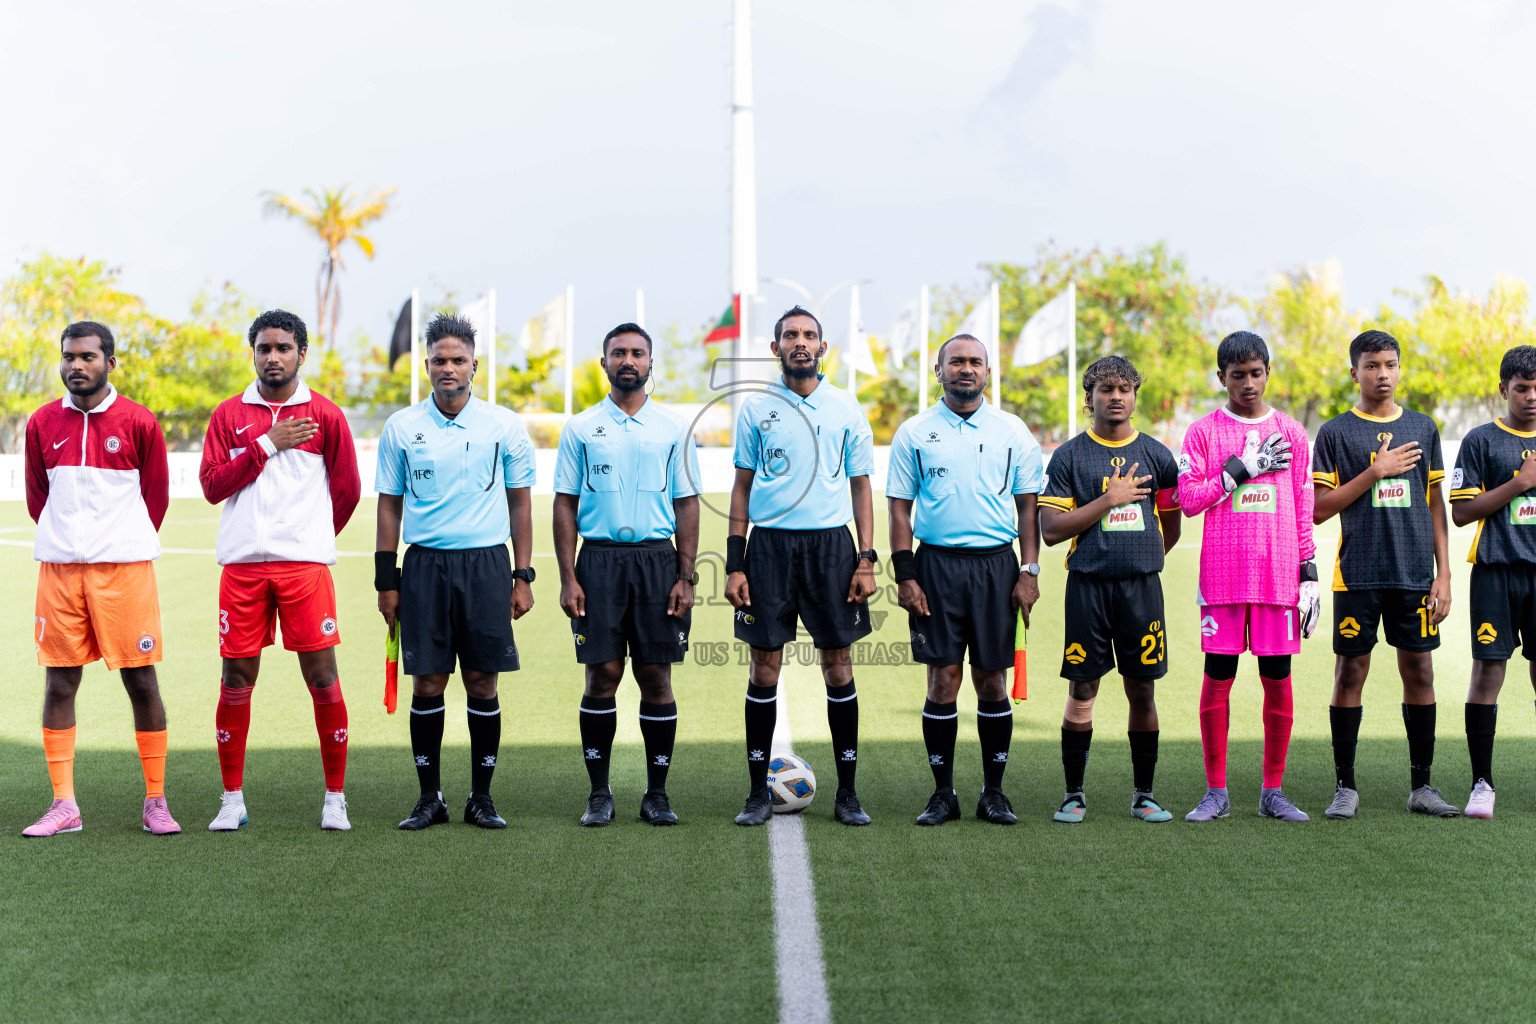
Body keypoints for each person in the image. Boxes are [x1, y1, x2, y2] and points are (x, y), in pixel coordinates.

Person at [199, 309, 362, 832]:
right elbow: (212, 486)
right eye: (264, 348)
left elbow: (347, 490)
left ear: (301, 354)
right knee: (235, 677)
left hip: (304, 570)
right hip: (242, 569)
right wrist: (267, 444)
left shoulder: (326, 415)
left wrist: (310, 538)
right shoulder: (228, 415)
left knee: (322, 676)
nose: (273, 357)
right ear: (252, 353)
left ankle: (334, 797)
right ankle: (232, 798)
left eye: (283, 348)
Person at [376, 313, 536, 830]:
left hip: (486, 565)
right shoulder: (402, 427)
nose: (449, 368)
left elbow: (521, 503)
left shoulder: (503, 425)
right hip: (424, 566)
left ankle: (481, 798)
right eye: (439, 360)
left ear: (474, 366)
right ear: (427, 365)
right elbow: (388, 506)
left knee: (482, 681)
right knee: (428, 682)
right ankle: (430, 798)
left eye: (458, 360)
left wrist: (523, 575)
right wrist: (386, 580)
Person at [22, 320, 178, 837]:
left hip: (125, 572)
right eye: (69, 357)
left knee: (141, 680)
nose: (76, 366)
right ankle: (63, 805)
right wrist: (67, 541)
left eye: (87, 357)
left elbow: (155, 498)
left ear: (110, 362)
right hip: (60, 572)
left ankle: (156, 800)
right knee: (59, 682)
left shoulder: (138, 421)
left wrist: (119, 542)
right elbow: (38, 498)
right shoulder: (42, 423)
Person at [725, 305, 877, 827]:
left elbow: (861, 486)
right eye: (790, 335)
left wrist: (866, 558)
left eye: (809, 335)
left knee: (839, 665)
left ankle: (848, 794)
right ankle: (756, 794)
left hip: (832, 550)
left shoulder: (846, 406)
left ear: (822, 347)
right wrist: (736, 563)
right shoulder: (756, 408)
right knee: (763, 666)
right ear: (776, 348)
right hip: (769, 550)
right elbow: (741, 487)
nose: (800, 342)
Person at [887, 333, 1043, 826]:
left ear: (988, 373)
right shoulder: (914, 432)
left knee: (992, 680)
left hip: (997, 567)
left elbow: (1028, 507)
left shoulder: (1012, 430)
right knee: (943, 679)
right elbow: (898, 508)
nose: (966, 369)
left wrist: (1029, 569)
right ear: (939, 371)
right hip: (936, 567)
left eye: (975, 362)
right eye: (956, 362)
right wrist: (905, 575)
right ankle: (943, 794)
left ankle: (993, 793)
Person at [553, 323, 701, 827]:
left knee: (655, 675)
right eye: (619, 352)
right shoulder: (580, 428)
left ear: (650, 362)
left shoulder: (674, 427)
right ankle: (599, 794)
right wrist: (568, 576)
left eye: (638, 353)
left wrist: (686, 576)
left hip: (658, 562)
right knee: (603, 675)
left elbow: (686, 503)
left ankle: (656, 794)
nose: (628, 360)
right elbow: (564, 503)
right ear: (604, 363)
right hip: (598, 562)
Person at [1311, 329, 1458, 819]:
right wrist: (1375, 471)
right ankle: (1345, 787)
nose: (1383, 374)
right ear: (1354, 372)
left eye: (1390, 364)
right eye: (1372, 365)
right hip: (1357, 574)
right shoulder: (1335, 433)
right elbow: (1318, 509)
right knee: (1350, 671)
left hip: (1415, 575)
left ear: (1399, 369)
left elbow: (1436, 505)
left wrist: (1444, 575)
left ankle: (1422, 787)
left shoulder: (1423, 427)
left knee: (1420, 670)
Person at [1178, 331, 1317, 823]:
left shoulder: (1292, 433)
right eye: (1238, 375)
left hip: (1278, 579)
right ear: (1222, 378)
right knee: (1218, 679)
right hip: (1223, 579)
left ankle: (1272, 791)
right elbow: (1188, 500)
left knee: (1277, 681)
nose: (1249, 383)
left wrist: (1309, 574)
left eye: (1256, 373)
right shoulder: (1203, 433)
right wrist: (1240, 469)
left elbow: (1303, 507)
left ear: (1268, 372)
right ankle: (1216, 792)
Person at [1038, 355, 1180, 824]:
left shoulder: (1158, 456)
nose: (1116, 397)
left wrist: (1141, 558)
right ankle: (1073, 794)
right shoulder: (1070, 455)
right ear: (1090, 397)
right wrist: (1109, 499)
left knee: (1142, 689)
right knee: (1083, 688)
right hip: (1088, 588)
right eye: (1105, 389)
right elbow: (1051, 530)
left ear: (1135, 396)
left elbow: (1171, 525)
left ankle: (1144, 795)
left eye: (1124, 389)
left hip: (1141, 588)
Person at [1447, 344, 1536, 819]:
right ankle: (1482, 783)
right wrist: (1520, 483)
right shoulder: (1481, 440)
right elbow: (1461, 512)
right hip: (1495, 572)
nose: (1531, 396)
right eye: (1522, 388)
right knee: (1488, 673)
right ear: (1504, 389)